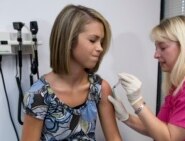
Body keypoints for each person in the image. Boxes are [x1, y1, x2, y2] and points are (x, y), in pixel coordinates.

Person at [21, 4, 122, 141]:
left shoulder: (100, 89)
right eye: (93, 40)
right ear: (69, 40)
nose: (100, 48)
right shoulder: (39, 95)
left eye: (101, 42)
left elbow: (114, 138)